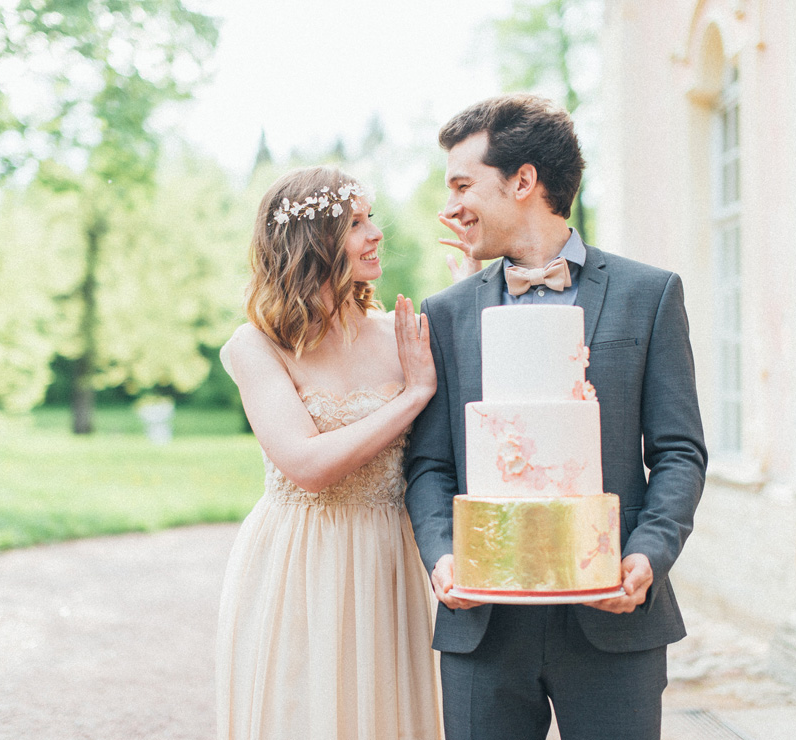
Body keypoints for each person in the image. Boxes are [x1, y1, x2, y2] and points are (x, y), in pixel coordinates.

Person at [405, 93, 708, 740]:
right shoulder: (447, 312)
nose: (449, 205)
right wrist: (441, 554)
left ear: (522, 181)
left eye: (462, 184)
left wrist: (646, 557)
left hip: (611, 619)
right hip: (481, 626)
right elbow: (429, 463)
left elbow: (679, 451)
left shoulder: (648, 295)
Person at [215, 166, 443, 740]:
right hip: (298, 563)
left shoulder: (402, 334)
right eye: (356, 223)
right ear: (310, 243)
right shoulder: (258, 344)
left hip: (387, 560)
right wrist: (413, 396)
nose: (376, 234)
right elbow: (307, 465)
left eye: (373, 218)